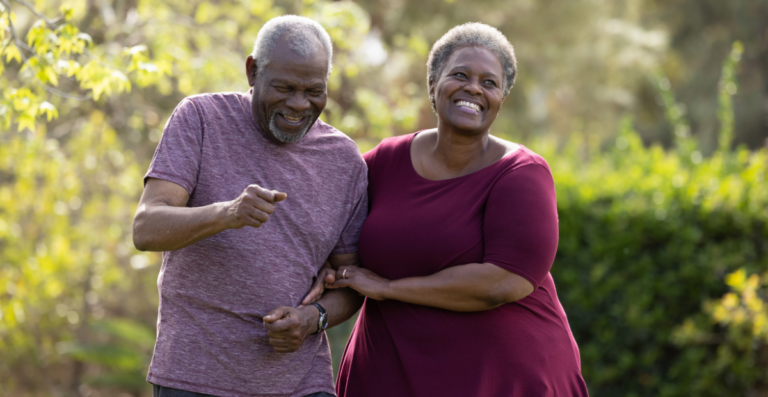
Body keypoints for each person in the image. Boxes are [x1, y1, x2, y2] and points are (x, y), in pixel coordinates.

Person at [327, 23, 589, 396]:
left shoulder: (521, 173)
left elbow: (502, 282)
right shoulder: (384, 162)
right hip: (390, 370)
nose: (474, 88)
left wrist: (388, 288)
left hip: (500, 377)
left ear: (501, 98)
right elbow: (323, 209)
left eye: (489, 83)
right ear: (433, 84)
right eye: (461, 75)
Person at [132, 15, 366, 397]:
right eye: (285, 88)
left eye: (314, 91)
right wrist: (227, 213)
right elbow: (146, 228)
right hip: (195, 377)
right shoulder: (201, 119)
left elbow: (351, 279)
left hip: (301, 383)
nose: (299, 104)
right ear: (253, 71)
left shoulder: (344, 160)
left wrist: (312, 318)